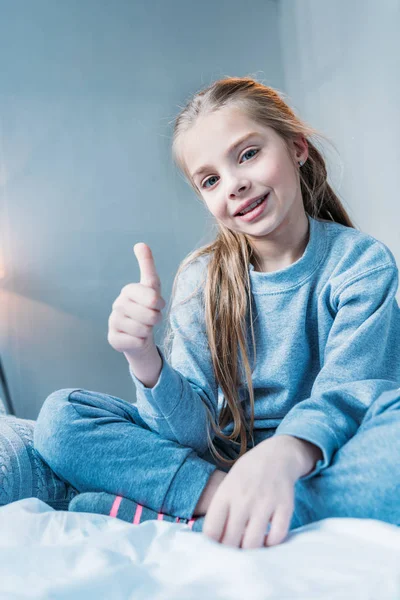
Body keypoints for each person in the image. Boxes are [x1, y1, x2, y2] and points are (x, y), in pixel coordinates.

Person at [33, 76, 400, 551]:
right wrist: (143, 357)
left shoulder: (360, 262)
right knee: (60, 417)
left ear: (297, 148)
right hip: (222, 461)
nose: (235, 184)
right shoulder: (203, 280)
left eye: (248, 154)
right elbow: (190, 433)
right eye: (210, 179)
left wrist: (285, 454)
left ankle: (192, 514)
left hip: (322, 454)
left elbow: (350, 396)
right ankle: (229, 501)